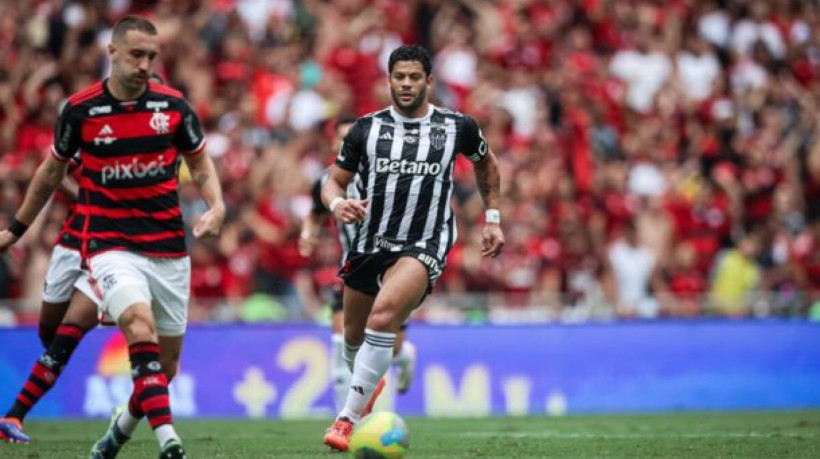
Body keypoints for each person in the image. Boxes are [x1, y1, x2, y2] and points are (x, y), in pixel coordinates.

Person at [0, 16, 224, 458]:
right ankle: (169, 442)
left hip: (168, 250)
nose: (144, 65)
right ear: (114, 53)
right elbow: (50, 175)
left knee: (167, 367)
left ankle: (117, 432)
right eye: (136, 55)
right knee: (119, 326)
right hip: (109, 246)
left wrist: (217, 205)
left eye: (152, 57)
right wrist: (16, 230)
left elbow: (200, 164)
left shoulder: (173, 107)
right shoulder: (80, 111)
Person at [321, 45, 504, 451]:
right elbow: (332, 182)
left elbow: (487, 163)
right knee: (352, 341)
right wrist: (338, 203)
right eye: (399, 77)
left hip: (425, 242)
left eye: (414, 77)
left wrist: (492, 219)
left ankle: (346, 421)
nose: (406, 84)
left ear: (429, 82)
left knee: (382, 316)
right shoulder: (365, 129)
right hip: (370, 244)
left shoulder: (457, 127)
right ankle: (371, 378)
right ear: (389, 80)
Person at [0, 74, 167, 446]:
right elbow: (56, 173)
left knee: (67, 336)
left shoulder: (161, 150)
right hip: (73, 240)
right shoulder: (100, 130)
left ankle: (12, 416)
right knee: (50, 331)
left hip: (112, 249)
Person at [299, 118, 417, 414]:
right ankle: (348, 420)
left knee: (389, 348)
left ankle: (404, 357)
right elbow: (315, 213)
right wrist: (308, 233)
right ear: (333, 144)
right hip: (349, 273)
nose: (347, 142)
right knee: (342, 346)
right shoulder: (327, 181)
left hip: (389, 271)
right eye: (341, 137)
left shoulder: (388, 175)